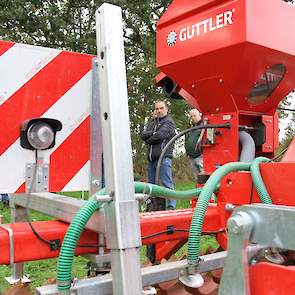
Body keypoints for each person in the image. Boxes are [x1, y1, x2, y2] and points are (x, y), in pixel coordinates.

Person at [141, 101, 176, 210]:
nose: (159, 110)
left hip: (163, 157)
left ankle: (171, 207)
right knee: (151, 186)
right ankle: (152, 206)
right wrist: (153, 133)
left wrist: (149, 139)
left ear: (166, 109)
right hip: (151, 159)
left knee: (167, 184)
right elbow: (143, 135)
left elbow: (160, 136)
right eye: (157, 109)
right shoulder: (152, 123)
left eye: (161, 108)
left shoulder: (169, 122)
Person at [185, 109, 203, 181]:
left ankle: (207, 192)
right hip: (191, 157)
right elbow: (186, 140)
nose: (193, 118)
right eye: (191, 116)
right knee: (197, 179)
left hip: (200, 156)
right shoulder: (190, 129)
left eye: (194, 116)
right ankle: (199, 191)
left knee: (204, 177)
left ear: (199, 115)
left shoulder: (203, 127)